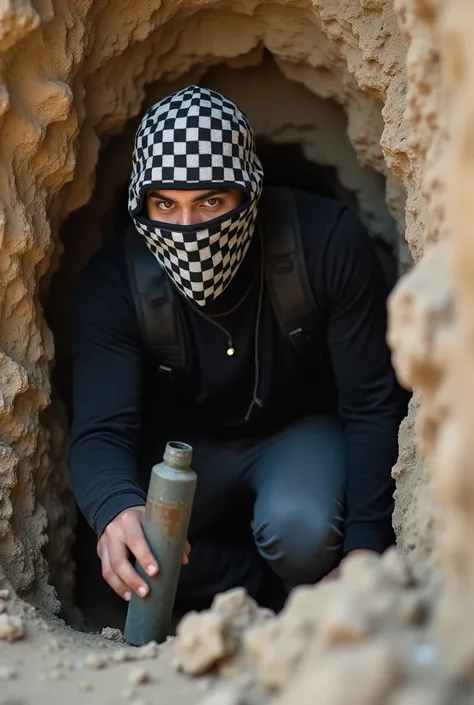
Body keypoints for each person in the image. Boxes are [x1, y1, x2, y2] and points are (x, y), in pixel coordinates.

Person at [68, 85, 409, 619]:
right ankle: (250, 584)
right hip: (182, 449)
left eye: (210, 202)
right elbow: (100, 431)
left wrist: (367, 547)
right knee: (127, 557)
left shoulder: (325, 244)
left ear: (249, 192)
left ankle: (298, 595)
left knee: (303, 531)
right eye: (166, 204)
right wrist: (117, 510)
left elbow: (371, 403)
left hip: (299, 433)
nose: (187, 230)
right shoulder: (115, 283)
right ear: (142, 203)